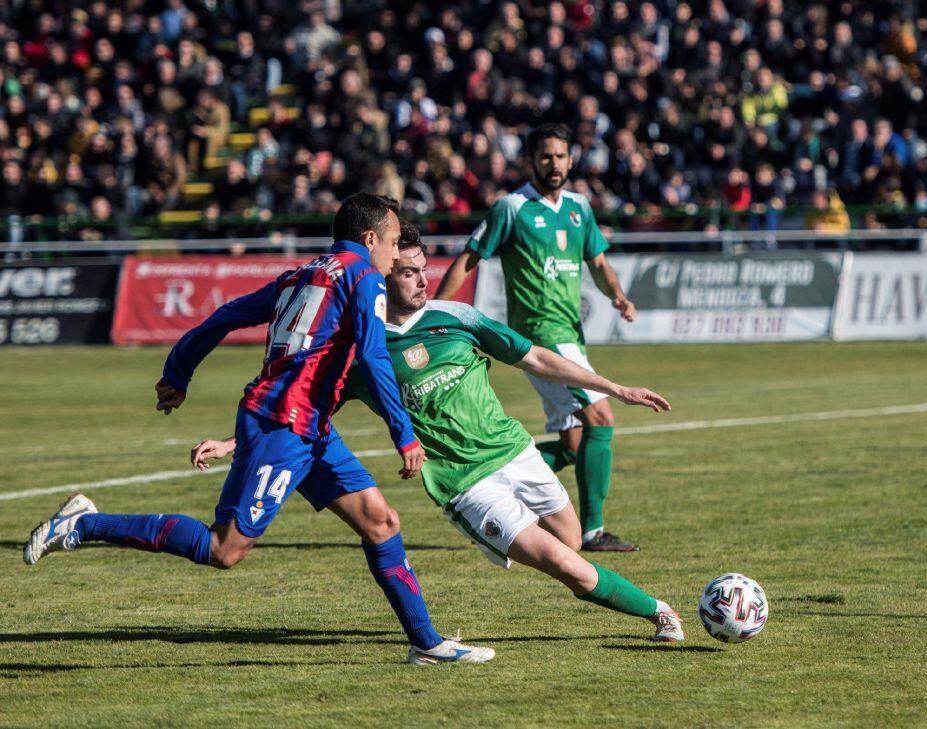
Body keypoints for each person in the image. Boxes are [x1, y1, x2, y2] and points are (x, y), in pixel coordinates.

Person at [23, 193, 493, 666]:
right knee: (224, 548)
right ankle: (84, 523)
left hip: (308, 426)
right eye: (393, 243)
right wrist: (403, 433)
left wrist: (177, 372)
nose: (396, 254)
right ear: (370, 239)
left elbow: (227, 315)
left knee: (381, 520)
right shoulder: (365, 277)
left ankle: (426, 643)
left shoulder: (304, 273)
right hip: (283, 425)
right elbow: (372, 357)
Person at [193, 225, 684, 641]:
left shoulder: (458, 317)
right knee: (568, 566)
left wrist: (614, 388)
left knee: (571, 540)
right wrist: (236, 442)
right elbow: (310, 406)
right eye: (408, 272)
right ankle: (659, 612)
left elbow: (534, 356)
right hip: (466, 485)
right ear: (384, 278)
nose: (423, 280)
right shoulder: (366, 346)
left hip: (515, 451)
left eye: (423, 268)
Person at [436, 123, 640, 552]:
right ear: (530, 161)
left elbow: (599, 264)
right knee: (602, 416)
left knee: (573, 444)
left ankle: (489, 481)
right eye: (545, 156)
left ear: (571, 159)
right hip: (540, 337)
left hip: (572, 335)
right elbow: (468, 260)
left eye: (561, 156)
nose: (554, 164)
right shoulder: (511, 208)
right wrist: (435, 312)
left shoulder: (579, 208)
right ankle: (592, 531)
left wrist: (618, 295)